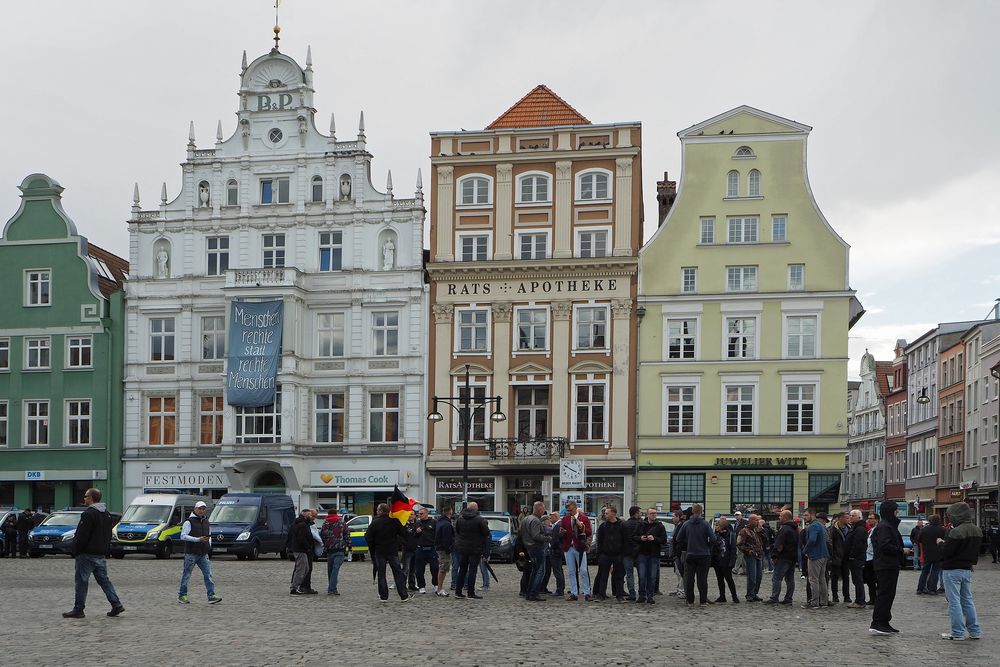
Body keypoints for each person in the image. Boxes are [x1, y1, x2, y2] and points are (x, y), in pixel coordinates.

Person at [62, 488, 124, 619]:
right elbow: (108, 535)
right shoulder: (106, 514)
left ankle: (78, 609)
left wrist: (76, 550)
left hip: (86, 554)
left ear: (91, 498)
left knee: (81, 581)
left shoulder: (88, 514)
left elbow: (82, 535)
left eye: (85, 496)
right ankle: (116, 604)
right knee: (104, 581)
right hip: (100, 554)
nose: (84, 498)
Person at [938, 502, 982, 640]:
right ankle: (975, 631)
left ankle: (957, 633)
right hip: (967, 569)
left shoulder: (955, 531)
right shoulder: (977, 530)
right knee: (968, 600)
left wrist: (940, 543)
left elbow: (947, 552)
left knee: (954, 602)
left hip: (952, 570)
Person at [869, 500, 904, 635]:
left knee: (889, 594)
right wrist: (901, 550)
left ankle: (884, 622)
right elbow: (885, 545)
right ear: (891, 512)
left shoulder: (888, 526)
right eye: (896, 510)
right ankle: (877, 623)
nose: (898, 513)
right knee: (884, 594)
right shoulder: (885, 527)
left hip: (889, 564)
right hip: (885, 565)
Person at [177, 501, 221, 605]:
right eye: (200, 508)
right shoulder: (188, 522)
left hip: (203, 553)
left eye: (203, 509)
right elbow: (183, 536)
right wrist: (197, 539)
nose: (202, 510)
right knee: (186, 575)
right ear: (195, 509)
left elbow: (209, 534)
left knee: (208, 575)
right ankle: (182, 595)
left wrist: (209, 545)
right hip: (191, 553)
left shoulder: (206, 521)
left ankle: (211, 596)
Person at [365, 503, 410, 602]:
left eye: (377, 510)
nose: (376, 512)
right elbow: (404, 534)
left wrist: (372, 548)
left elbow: (368, 537)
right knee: (397, 573)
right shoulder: (394, 521)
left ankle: (383, 596)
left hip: (379, 551)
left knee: (381, 574)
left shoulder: (375, 523)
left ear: (381, 511)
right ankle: (403, 595)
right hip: (392, 550)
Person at [674, 503, 713, 606]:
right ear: (701, 511)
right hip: (704, 554)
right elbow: (713, 539)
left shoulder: (686, 524)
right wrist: (707, 545)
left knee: (689, 579)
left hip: (690, 554)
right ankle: (703, 601)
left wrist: (688, 543)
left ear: (692, 512)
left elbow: (678, 539)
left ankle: (690, 601)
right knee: (702, 579)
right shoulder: (705, 524)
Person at [454, 501, 490, 600]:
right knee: (472, 571)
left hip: (463, 548)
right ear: (476, 509)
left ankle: (458, 591)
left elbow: (457, 531)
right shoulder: (479, 520)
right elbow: (486, 532)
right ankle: (471, 592)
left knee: (462, 570)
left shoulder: (460, 519)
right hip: (475, 549)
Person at [559, 501, 593, 601]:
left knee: (583, 570)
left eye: (570, 510)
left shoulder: (584, 518)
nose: (569, 512)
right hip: (569, 547)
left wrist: (581, 526)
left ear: (575, 508)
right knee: (571, 571)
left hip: (580, 547)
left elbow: (589, 532)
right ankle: (574, 592)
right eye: (568, 510)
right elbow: (561, 533)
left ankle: (587, 592)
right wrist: (562, 532)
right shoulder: (565, 519)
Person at [764, 510, 798, 605]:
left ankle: (774, 598)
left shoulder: (784, 529)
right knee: (790, 579)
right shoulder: (795, 528)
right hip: (792, 556)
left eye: (780, 516)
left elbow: (779, 544)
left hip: (783, 557)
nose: (779, 517)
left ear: (786, 517)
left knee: (777, 578)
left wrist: (774, 555)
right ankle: (788, 599)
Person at [593, 506, 626, 602]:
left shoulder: (622, 525)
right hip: (605, 554)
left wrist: (623, 553)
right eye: (605, 513)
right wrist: (599, 554)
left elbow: (625, 540)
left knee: (619, 576)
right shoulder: (603, 526)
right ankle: (601, 595)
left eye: (607, 513)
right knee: (603, 575)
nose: (605, 515)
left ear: (613, 513)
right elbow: (600, 541)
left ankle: (620, 595)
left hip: (618, 554)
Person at [519, 501, 549, 602]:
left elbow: (520, 533)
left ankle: (529, 592)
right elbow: (536, 536)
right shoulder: (535, 520)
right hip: (536, 548)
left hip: (529, 547)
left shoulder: (525, 519)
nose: (544, 511)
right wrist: (547, 538)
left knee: (534, 571)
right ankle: (534, 593)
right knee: (540, 571)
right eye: (543, 509)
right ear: (539, 509)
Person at [635, 507, 665, 604]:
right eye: (652, 513)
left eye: (655, 513)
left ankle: (650, 595)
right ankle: (641, 595)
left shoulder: (660, 526)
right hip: (642, 553)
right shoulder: (640, 524)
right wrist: (641, 538)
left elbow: (664, 540)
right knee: (642, 576)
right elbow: (633, 537)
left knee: (652, 577)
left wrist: (654, 538)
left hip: (654, 554)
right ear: (647, 514)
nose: (654, 515)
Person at [801, 508, 830, 609]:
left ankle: (814, 602)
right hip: (824, 554)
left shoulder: (813, 526)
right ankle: (824, 601)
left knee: (813, 579)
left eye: (805, 515)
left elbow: (812, 540)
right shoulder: (821, 525)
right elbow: (827, 539)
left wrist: (805, 550)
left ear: (812, 515)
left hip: (815, 555)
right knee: (822, 579)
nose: (804, 517)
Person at [320, 509, 351, 595]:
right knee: (335, 569)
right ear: (336, 513)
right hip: (340, 549)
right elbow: (346, 534)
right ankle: (332, 589)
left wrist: (325, 544)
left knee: (330, 569)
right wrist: (349, 546)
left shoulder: (325, 523)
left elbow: (322, 534)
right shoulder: (341, 522)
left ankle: (332, 588)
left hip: (329, 550)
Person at [288, 509, 318, 595]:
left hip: (300, 549)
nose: (311, 517)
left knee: (306, 568)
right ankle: (294, 587)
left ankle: (297, 585)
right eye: (310, 515)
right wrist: (308, 547)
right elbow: (301, 538)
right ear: (305, 515)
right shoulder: (302, 525)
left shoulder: (301, 523)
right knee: (301, 569)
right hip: (300, 550)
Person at [410, 507, 438, 595]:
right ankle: (421, 586)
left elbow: (437, 534)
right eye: (418, 514)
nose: (419, 515)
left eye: (421, 514)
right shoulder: (417, 523)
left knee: (435, 568)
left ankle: (436, 584)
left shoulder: (433, 522)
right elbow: (413, 536)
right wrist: (417, 532)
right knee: (419, 570)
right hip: (420, 549)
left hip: (431, 548)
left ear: (426, 514)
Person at [737, 514, 765, 601]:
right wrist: (748, 551)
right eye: (756, 520)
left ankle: (754, 593)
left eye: (758, 520)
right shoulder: (744, 531)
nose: (758, 522)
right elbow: (739, 544)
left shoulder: (757, 530)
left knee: (759, 576)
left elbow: (765, 540)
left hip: (759, 555)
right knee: (752, 576)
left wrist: (761, 530)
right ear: (750, 521)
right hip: (751, 555)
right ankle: (750, 594)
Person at [916, 514, 946, 595]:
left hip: (927, 553)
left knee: (925, 571)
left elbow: (919, 540)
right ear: (939, 520)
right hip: (938, 554)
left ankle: (920, 588)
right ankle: (932, 589)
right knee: (935, 572)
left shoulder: (924, 529)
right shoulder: (943, 530)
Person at [844, 509, 868, 608]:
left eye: (853, 515)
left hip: (856, 558)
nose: (851, 517)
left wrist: (852, 556)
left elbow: (858, 544)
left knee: (858, 580)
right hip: (854, 558)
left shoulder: (860, 529)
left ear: (859, 517)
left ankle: (860, 601)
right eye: (850, 515)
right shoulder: (855, 527)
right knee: (856, 580)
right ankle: (859, 600)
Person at [712, 516, 739, 604]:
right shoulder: (715, 535)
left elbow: (733, 549)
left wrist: (732, 561)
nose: (716, 527)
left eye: (717, 525)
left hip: (726, 561)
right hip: (717, 561)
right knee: (720, 579)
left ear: (722, 527)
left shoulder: (730, 535)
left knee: (729, 579)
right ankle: (722, 596)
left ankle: (734, 596)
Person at [828, 512, 850, 604]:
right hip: (836, 556)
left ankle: (847, 596)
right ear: (840, 518)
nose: (848, 519)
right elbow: (830, 543)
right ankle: (835, 596)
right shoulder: (833, 529)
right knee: (835, 577)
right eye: (846, 518)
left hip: (846, 557)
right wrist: (831, 556)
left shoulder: (849, 529)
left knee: (846, 577)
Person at [433, 505, 455, 597]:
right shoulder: (446, 524)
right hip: (443, 550)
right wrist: (449, 550)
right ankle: (439, 589)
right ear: (450, 511)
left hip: (439, 548)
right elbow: (447, 539)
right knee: (443, 569)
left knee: (443, 568)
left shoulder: (440, 522)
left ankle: (439, 588)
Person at [541, 512, 564, 596]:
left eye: (551, 518)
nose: (550, 520)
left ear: (556, 517)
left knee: (557, 571)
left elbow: (556, 539)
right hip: (555, 550)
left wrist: (552, 546)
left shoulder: (558, 525)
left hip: (556, 551)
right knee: (557, 570)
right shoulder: (556, 525)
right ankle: (559, 588)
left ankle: (560, 589)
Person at [622, 506, 642, 601]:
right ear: (635, 513)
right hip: (639, 552)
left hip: (627, 552)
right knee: (641, 574)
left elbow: (622, 538)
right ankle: (642, 593)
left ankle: (632, 594)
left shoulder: (625, 524)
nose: (640, 514)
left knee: (629, 574)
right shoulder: (641, 524)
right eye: (639, 512)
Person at [400, 513, 418, 592]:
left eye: (412, 514)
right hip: (407, 550)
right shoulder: (404, 525)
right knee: (405, 569)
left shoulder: (417, 524)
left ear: (415, 515)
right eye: (409, 514)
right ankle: (402, 585)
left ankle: (412, 585)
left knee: (413, 569)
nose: (410, 516)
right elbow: (400, 537)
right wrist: (405, 544)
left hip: (416, 549)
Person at [671, 510, 686, 597]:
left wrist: (673, 539)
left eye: (673, 516)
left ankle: (682, 591)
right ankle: (679, 589)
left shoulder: (681, 525)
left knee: (680, 572)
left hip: (679, 552)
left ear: (678, 517)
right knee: (677, 572)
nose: (672, 518)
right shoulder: (677, 525)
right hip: (676, 552)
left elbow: (678, 539)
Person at [732, 511, 747, 575]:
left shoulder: (744, 522)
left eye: (738, 515)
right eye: (736, 515)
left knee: (739, 555)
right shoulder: (736, 523)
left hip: (742, 541)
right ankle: (745, 570)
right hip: (737, 541)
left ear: (741, 515)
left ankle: (736, 569)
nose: (737, 516)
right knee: (742, 556)